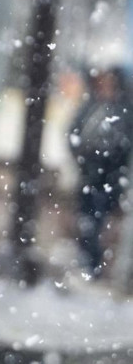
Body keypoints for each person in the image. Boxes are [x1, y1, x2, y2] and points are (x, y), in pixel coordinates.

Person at [68, 65, 133, 278]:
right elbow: (74, 131)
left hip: (109, 176)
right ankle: (87, 262)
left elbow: (122, 143)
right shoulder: (92, 105)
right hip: (89, 173)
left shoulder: (122, 109)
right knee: (86, 219)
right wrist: (82, 156)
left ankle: (92, 265)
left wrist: (110, 163)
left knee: (97, 221)